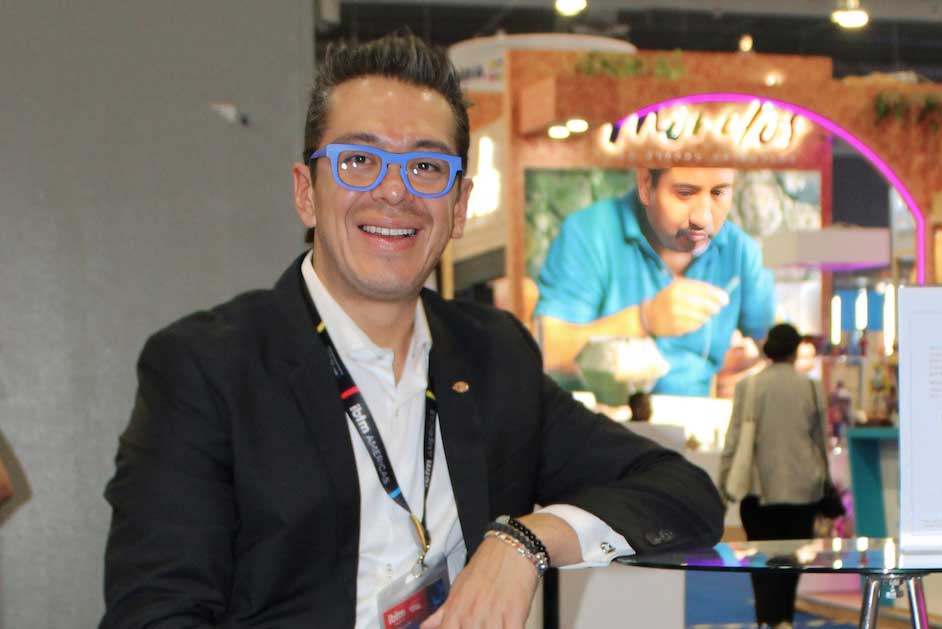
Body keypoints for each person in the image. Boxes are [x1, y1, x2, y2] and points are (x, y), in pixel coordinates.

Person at [101, 33, 723, 629]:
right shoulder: (207, 368)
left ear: (458, 206)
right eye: (359, 160)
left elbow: (682, 493)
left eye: (426, 166)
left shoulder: (493, 357)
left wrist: (526, 540)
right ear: (306, 193)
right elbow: (152, 615)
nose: (394, 190)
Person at [534, 167, 777, 396]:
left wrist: (756, 370)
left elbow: (772, 344)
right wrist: (644, 319)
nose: (702, 218)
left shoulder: (741, 250)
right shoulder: (589, 233)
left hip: (702, 419)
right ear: (645, 184)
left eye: (718, 193)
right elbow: (548, 352)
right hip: (602, 420)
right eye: (685, 193)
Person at [718, 323, 829, 629]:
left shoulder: (749, 386)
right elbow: (820, 442)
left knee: (761, 561)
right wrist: (825, 484)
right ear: (795, 350)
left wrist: (724, 482)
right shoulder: (810, 387)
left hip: (759, 491)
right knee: (792, 562)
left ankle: (765, 621)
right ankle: (784, 620)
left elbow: (733, 440)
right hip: (802, 491)